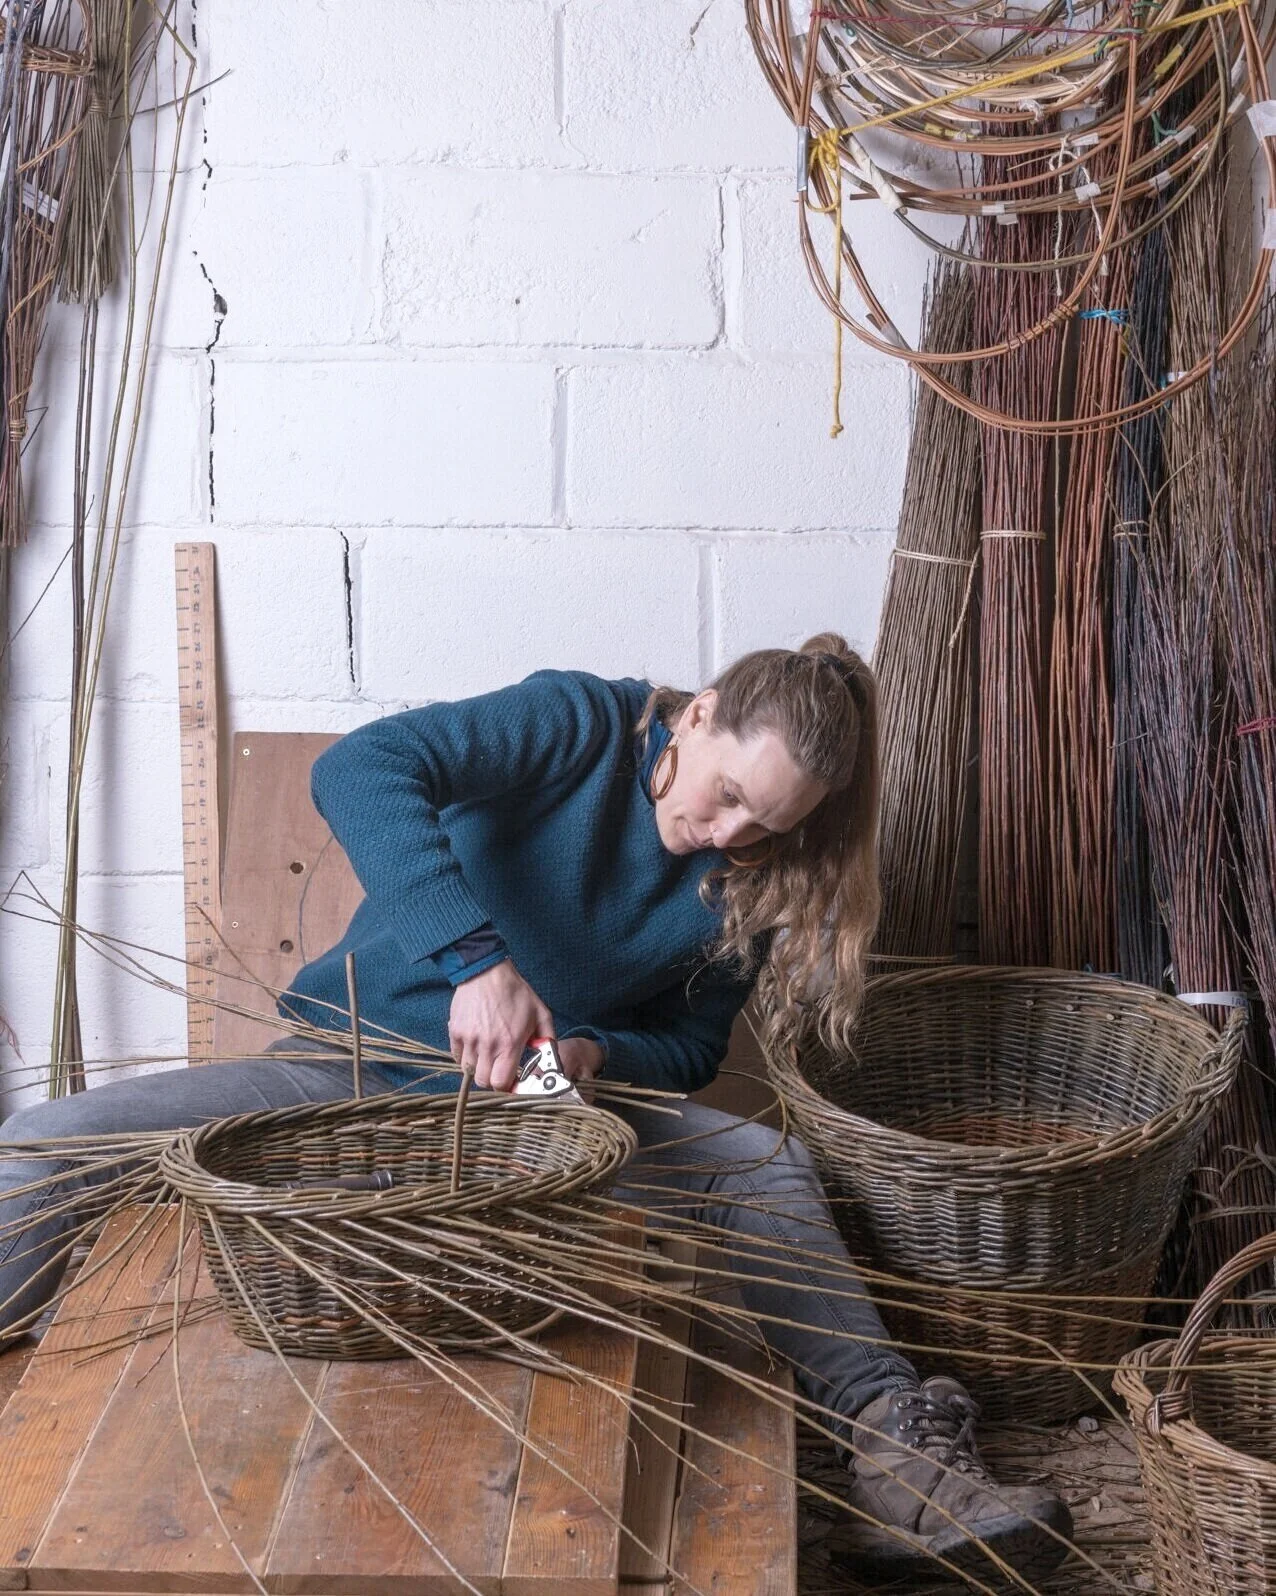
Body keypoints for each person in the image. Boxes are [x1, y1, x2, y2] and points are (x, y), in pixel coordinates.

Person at [0, 634, 1071, 1577]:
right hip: (347, 1072)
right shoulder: (580, 724)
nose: (728, 833)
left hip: (544, 1120)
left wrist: (601, 1053)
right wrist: (478, 962)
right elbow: (360, 768)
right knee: (48, 1139)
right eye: (728, 795)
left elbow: (693, 1049)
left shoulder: (758, 871)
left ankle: (903, 1456)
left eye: (765, 824)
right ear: (698, 715)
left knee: (764, 1167)